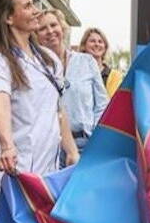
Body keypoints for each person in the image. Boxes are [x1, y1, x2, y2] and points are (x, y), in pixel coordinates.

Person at [0, 0, 80, 223]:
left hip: (46, 174)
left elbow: (58, 111)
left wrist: (72, 150)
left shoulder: (48, 59)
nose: (36, 11)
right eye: (27, 6)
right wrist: (7, 147)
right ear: (8, 18)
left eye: (33, 4)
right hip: (15, 170)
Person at [38, 9, 108, 157]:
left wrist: (96, 137)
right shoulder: (36, 67)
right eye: (42, 28)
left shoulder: (87, 61)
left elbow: (102, 104)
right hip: (50, 147)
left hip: (85, 144)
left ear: (62, 28)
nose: (50, 31)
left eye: (53, 25)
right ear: (36, 35)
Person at [80, 27, 123, 96]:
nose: (97, 44)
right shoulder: (77, 73)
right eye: (92, 41)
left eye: (100, 42)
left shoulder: (115, 76)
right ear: (84, 46)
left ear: (105, 47)